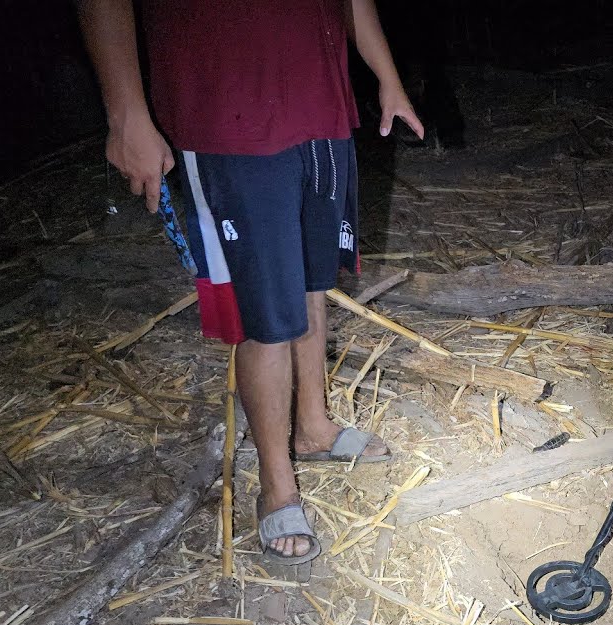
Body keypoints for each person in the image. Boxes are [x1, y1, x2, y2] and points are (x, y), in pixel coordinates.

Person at [78, 0, 424, 567]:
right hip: (223, 116)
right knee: (262, 314)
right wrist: (125, 114)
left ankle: (312, 427)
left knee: (313, 285)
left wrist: (386, 75)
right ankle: (276, 486)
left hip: (323, 109)